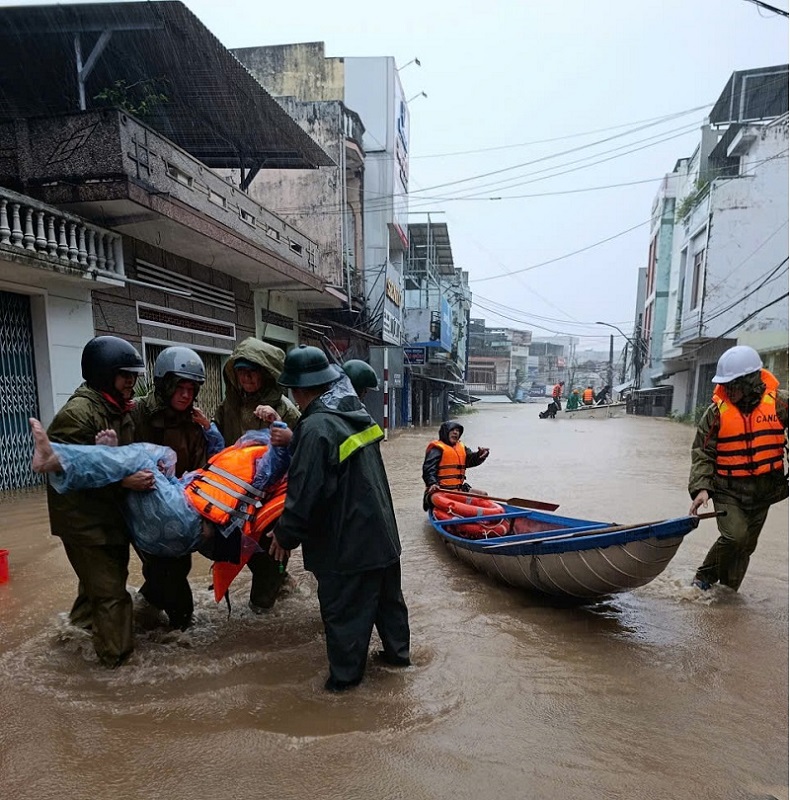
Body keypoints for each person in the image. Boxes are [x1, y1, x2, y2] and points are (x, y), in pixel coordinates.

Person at [268, 345, 410, 692]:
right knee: (389, 609)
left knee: (345, 619)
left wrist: (284, 537)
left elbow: (303, 496)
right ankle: (400, 666)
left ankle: (343, 698)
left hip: (349, 550)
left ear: (298, 390)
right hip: (383, 541)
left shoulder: (317, 427)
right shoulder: (354, 413)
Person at [30, 419, 290, 573]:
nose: (246, 441)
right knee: (162, 458)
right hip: (170, 527)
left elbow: (277, 462)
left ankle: (59, 458)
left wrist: (280, 430)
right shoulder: (241, 464)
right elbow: (218, 460)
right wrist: (208, 427)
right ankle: (110, 460)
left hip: (185, 521)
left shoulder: (265, 468)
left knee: (146, 458)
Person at [45, 336, 147, 668]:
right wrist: (122, 479)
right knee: (112, 595)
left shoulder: (117, 407)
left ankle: (71, 637)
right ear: (104, 374)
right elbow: (67, 470)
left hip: (109, 514)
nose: (130, 381)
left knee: (99, 587)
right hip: (84, 521)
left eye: (133, 375)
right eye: (124, 375)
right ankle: (117, 667)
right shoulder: (78, 414)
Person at [688, 345, 788, 591]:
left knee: (746, 546)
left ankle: (728, 593)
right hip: (727, 489)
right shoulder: (716, 413)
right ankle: (704, 576)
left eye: (733, 385)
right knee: (735, 536)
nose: (728, 391)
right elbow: (702, 452)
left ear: (750, 382)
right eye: (726, 385)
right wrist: (702, 488)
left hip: (764, 491)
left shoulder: (780, 405)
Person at [213, 337, 300, 614]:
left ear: (265, 374)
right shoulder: (228, 406)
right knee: (242, 551)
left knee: (269, 556)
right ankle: (281, 582)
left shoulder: (285, 408)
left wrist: (278, 422)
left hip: (274, 500)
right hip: (239, 496)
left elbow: (306, 447)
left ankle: (264, 607)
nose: (246, 377)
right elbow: (218, 444)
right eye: (241, 371)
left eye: (252, 371)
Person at [130, 346, 210, 631]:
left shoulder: (195, 423)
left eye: (191, 388)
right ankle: (178, 630)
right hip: (140, 509)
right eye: (180, 387)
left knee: (175, 568)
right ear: (164, 384)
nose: (186, 395)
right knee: (169, 572)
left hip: (178, 510)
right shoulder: (136, 413)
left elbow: (202, 471)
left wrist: (204, 518)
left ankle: (142, 615)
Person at [422, 421, 490, 502]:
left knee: (483, 495)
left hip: (459, 489)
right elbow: (428, 469)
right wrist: (432, 483)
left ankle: (483, 512)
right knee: (442, 500)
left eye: (457, 431)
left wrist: (480, 455)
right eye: (452, 430)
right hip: (441, 491)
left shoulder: (462, 447)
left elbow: (471, 460)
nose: (455, 432)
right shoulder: (437, 449)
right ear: (445, 432)